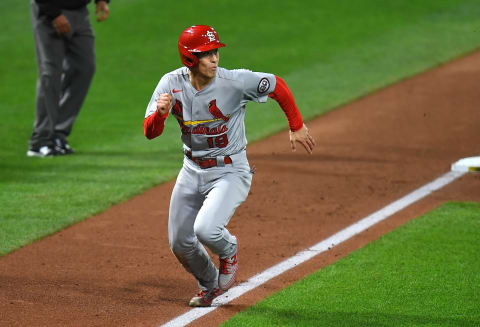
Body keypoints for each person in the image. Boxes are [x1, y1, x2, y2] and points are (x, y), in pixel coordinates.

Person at [143, 25, 316, 307]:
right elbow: (150, 132)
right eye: (206, 54)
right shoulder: (169, 84)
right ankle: (209, 284)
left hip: (230, 170)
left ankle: (229, 249)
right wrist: (160, 116)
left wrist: (295, 125)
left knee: (207, 229)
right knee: (180, 243)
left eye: (215, 52)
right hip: (191, 169)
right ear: (189, 58)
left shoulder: (235, 82)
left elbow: (277, 85)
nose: (214, 59)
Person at [27, 0, 110, 157]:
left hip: (80, 12)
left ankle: (58, 133)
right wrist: (54, 13)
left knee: (84, 68)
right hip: (50, 13)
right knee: (50, 74)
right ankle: (40, 141)